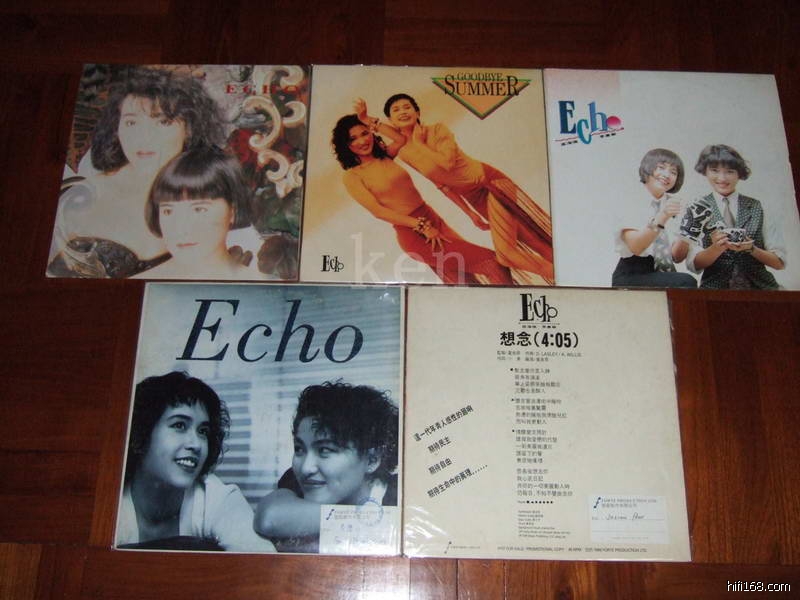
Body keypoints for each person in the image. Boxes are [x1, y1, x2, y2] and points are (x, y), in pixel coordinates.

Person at [47, 66, 227, 278]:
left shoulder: (213, 199)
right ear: (117, 127)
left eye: (163, 122)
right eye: (131, 122)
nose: (144, 137)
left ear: (189, 129)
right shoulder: (77, 197)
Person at [354, 94, 554, 284]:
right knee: (531, 240)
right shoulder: (404, 150)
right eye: (396, 110)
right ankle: (560, 271)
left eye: (407, 107)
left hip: (489, 184)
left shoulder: (437, 130)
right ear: (391, 120)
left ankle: (561, 277)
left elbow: (447, 163)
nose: (403, 112)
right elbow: (442, 185)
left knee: (507, 254)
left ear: (417, 112)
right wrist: (470, 213)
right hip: (474, 198)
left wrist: (421, 144)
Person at [331, 114, 512, 285]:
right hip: (414, 233)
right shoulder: (352, 176)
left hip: (432, 219)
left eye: (364, 133)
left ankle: (491, 306)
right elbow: (378, 212)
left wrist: (368, 119)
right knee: (492, 263)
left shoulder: (385, 156)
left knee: (465, 281)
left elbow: (400, 139)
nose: (362, 141)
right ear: (345, 145)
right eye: (353, 139)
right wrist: (422, 226)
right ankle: (504, 302)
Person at [116, 371, 275, 552]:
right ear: (140, 433)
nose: (196, 444)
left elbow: (264, 563)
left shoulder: (215, 498)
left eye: (203, 431)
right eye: (179, 425)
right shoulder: (110, 501)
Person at [254, 381, 399, 553]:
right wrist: (375, 523)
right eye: (299, 449)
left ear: (372, 460)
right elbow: (269, 518)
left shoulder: (400, 494)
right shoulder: (297, 480)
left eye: (324, 450)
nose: (306, 468)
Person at [132, 146, 260, 279]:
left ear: (232, 211)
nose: (181, 228)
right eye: (168, 211)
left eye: (198, 209)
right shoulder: (137, 285)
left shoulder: (260, 284)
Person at [676, 144, 785, 289]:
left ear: (739, 173)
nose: (722, 178)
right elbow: (694, 265)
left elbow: (779, 263)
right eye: (714, 170)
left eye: (730, 171)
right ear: (705, 171)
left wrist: (752, 249)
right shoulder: (697, 208)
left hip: (761, 288)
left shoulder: (758, 206)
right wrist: (716, 248)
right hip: (714, 290)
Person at [611, 148, 697, 288]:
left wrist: (690, 228)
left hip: (662, 273)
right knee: (686, 282)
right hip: (632, 273)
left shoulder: (676, 204)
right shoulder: (630, 200)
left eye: (673, 172)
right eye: (661, 167)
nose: (667, 175)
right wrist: (662, 216)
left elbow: (676, 257)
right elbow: (636, 247)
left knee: (686, 283)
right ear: (648, 168)